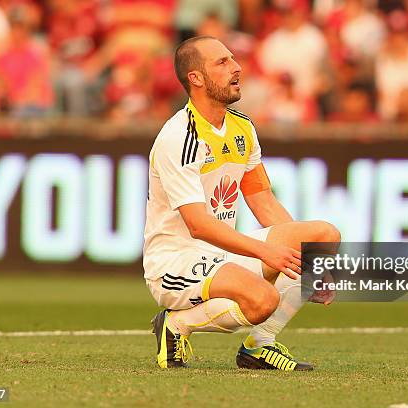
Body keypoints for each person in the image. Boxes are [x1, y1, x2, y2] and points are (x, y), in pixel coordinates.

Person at [143, 36, 340, 370]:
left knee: (322, 237)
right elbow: (198, 224)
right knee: (263, 299)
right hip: (174, 262)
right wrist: (264, 252)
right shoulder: (180, 137)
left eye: (233, 59)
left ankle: (258, 347)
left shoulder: (242, 128)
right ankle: (176, 325)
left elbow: (263, 201)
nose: (236, 68)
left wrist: (309, 263)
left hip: (222, 254)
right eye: (222, 62)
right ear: (196, 78)